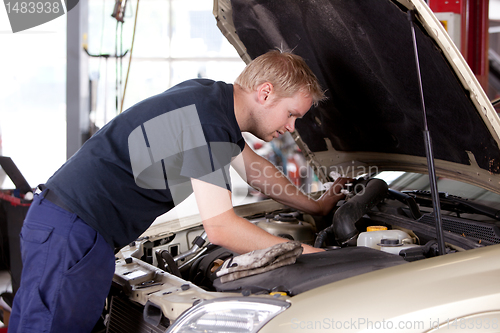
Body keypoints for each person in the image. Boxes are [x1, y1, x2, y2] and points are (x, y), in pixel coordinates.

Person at [8, 50, 347, 333]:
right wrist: (309, 254)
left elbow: (256, 171)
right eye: (291, 115)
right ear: (265, 93)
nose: (291, 128)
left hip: (71, 230)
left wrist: (315, 207)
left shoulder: (210, 99)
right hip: (74, 235)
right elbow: (221, 227)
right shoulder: (210, 122)